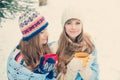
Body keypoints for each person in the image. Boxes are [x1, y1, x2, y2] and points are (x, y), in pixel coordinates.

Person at [7, 8, 57, 80]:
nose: (47, 34)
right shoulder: (21, 58)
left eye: (46, 29)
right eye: (42, 32)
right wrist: (40, 73)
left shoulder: (41, 46)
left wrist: (51, 73)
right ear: (32, 37)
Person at [56, 8, 99, 80]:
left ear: (82, 25)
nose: (73, 27)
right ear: (64, 25)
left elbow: (96, 74)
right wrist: (70, 71)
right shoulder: (56, 47)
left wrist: (87, 72)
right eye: (69, 23)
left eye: (77, 23)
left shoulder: (89, 44)